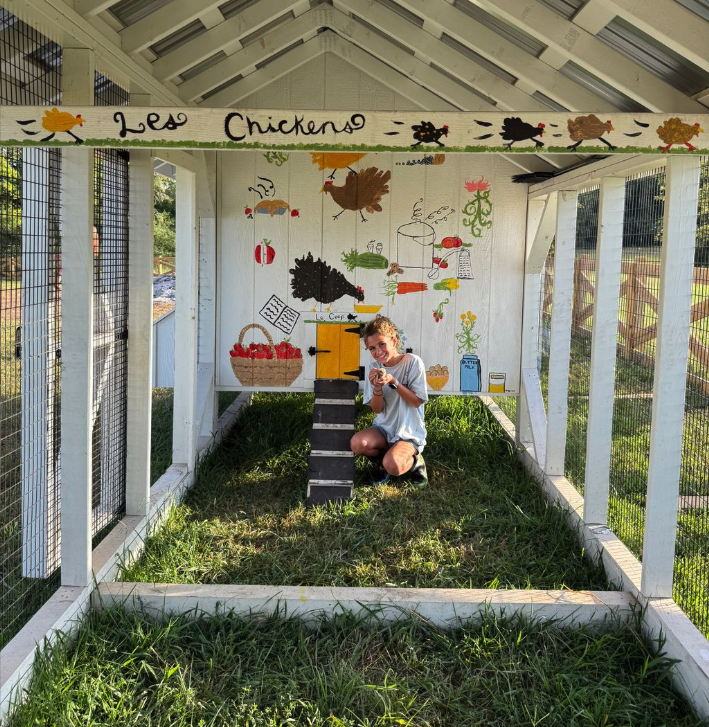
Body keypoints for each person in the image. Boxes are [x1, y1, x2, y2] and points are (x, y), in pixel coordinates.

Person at [350, 316, 428, 487]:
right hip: (383, 428)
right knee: (357, 444)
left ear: (393, 340)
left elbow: (416, 402)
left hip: (408, 432)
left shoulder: (413, 362)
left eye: (381, 344)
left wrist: (394, 382)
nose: (378, 351)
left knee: (393, 465)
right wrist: (377, 388)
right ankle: (384, 463)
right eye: (372, 348)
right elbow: (377, 410)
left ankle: (415, 462)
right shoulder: (374, 368)